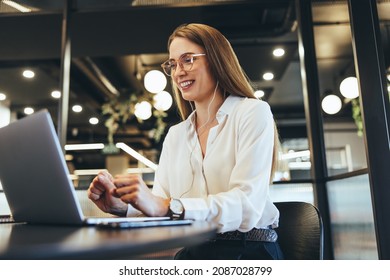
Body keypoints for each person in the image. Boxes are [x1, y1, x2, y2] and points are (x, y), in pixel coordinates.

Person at [88, 23, 284, 260]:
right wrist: (124, 206)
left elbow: (246, 205)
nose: (178, 72)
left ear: (216, 60)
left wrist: (170, 207)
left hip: (249, 250)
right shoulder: (176, 135)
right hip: (194, 251)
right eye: (173, 64)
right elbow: (160, 205)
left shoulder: (252, 112)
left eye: (188, 59)